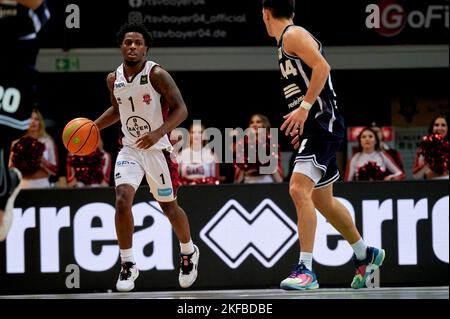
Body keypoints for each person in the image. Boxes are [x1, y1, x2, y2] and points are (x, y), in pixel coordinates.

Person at [262, 0, 385, 290]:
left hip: (323, 120)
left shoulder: (293, 34)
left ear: (265, 13)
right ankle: (365, 254)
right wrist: (301, 118)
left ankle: (306, 270)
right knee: (321, 200)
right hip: (314, 125)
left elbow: (322, 67)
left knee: (297, 188)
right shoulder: (284, 42)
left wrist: (304, 109)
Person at [93, 23, 199, 292]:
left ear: (146, 48)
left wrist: (157, 133)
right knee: (121, 200)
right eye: (128, 42)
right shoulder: (112, 79)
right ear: (121, 46)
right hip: (129, 149)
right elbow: (117, 111)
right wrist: (93, 127)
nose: (132, 46)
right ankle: (128, 263)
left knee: (169, 207)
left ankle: (188, 252)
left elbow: (181, 109)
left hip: (157, 150)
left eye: (138, 43)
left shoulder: (157, 74)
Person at [0, 0, 50, 241]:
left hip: (13, 75)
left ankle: (7, 184)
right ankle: (8, 183)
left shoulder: (23, 17)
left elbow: (38, 9)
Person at [9, 109, 58, 188]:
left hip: (42, 184)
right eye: (30, 119)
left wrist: (41, 160)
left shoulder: (48, 141)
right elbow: (10, 168)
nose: (33, 122)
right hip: (23, 184)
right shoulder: (17, 143)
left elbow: (55, 170)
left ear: (40, 122)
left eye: (36, 119)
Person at [234, 114, 284, 184]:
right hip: (248, 180)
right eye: (252, 122)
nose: (254, 124)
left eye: (258, 122)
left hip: (266, 179)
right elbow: (241, 166)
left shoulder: (270, 141)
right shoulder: (243, 142)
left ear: (264, 124)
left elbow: (274, 164)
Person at [413, 114, 449, 180]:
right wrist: (429, 166)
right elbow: (415, 175)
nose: (439, 128)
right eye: (436, 125)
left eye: (443, 125)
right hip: (431, 185)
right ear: (432, 128)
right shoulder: (423, 148)